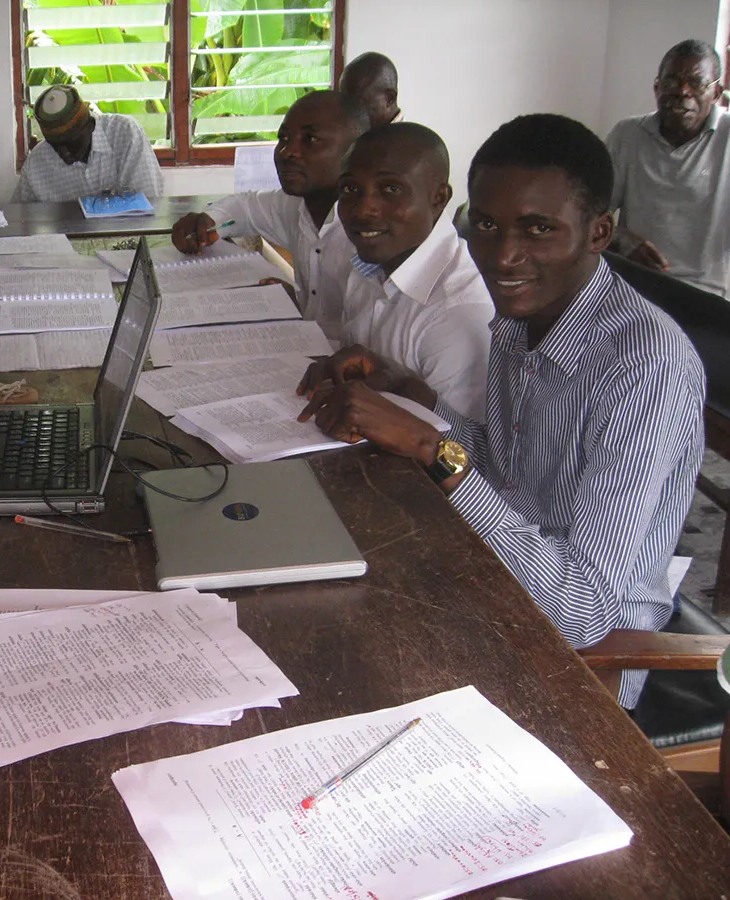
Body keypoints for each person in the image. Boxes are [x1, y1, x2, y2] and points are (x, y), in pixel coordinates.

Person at [299, 114, 705, 709]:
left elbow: (581, 609)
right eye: (486, 225)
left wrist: (433, 450)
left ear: (599, 232)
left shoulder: (645, 369)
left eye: (538, 230)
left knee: (341, 675)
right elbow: (504, 461)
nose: (503, 256)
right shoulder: (527, 317)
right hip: (494, 574)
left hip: (592, 655)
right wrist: (410, 394)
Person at [299, 123, 493, 420]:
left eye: (391, 189)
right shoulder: (369, 263)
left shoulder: (457, 314)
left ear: (438, 199)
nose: (363, 210)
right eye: (350, 189)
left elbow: (455, 451)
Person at [171, 90, 370, 333]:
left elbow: (367, 344)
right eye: (284, 138)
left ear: (355, 150)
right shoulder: (296, 205)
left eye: (311, 139)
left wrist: (300, 316)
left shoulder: (370, 235)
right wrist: (209, 221)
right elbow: (244, 207)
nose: (288, 152)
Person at [606, 39, 729, 298]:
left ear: (716, 94)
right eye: (672, 82)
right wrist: (620, 239)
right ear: (657, 88)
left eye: (697, 84)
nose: (683, 92)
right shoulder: (627, 134)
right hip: (634, 285)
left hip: (707, 296)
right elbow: (588, 214)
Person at [11, 84, 164, 202]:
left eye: (71, 143)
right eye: (55, 146)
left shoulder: (125, 134)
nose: (64, 154)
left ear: (90, 126)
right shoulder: (36, 164)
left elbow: (148, 202)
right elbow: (20, 219)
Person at [340, 52, 402, 129]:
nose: (349, 114)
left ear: (389, 98)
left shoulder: (406, 140)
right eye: (346, 103)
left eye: (359, 104)